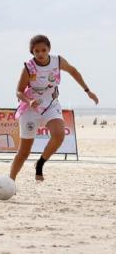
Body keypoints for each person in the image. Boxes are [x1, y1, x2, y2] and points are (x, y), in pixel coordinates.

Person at [10, 35, 99, 182]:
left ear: (49, 49)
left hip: (51, 105)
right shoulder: (29, 67)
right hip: (31, 108)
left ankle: (40, 163)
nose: (40, 53)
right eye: (36, 51)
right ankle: (10, 180)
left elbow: (73, 71)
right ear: (32, 52)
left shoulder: (57, 61)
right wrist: (29, 100)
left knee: (59, 135)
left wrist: (88, 91)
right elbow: (18, 91)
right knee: (24, 152)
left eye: (43, 50)